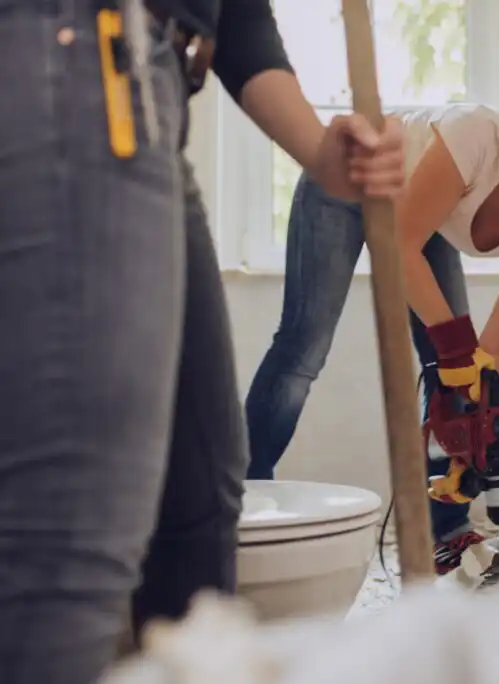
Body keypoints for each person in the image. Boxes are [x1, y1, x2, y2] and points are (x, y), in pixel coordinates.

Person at [0, 0, 404, 682]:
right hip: (80, 65)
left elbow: (236, 14)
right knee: (73, 542)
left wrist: (317, 151)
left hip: (143, 92)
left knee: (201, 493)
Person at [245, 103, 499, 576]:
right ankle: (245, 495)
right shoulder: (479, 136)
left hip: (416, 213)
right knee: (304, 345)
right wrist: (457, 353)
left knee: (454, 374)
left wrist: (473, 428)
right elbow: (397, 245)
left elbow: (498, 352)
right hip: (347, 178)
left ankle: (447, 533)